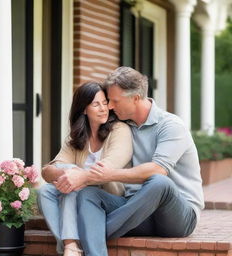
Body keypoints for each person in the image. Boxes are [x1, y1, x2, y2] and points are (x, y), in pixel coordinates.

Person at [58, 67, 205, 256]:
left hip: (177, 217)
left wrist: (109, 175)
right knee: (89, 194)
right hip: (137, 212)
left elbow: (158, 169)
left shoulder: (171, 126)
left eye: (114, 100)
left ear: (135, 98)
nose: (109, 106)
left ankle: (85, 237)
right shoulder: (122, 126)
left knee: (159, 181)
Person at [37, 81, 133, 256]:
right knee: (45, 192)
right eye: (96, 104)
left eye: (105, 103)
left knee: (74, 185)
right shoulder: (77, 137)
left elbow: (110, 167)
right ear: (83, 109)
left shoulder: (120, 130)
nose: (103, 108)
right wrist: (68, 173)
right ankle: (71, 244)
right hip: (77, 195)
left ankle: (70, 245)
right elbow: (47, 171)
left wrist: (77, 177)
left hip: (110, 199)